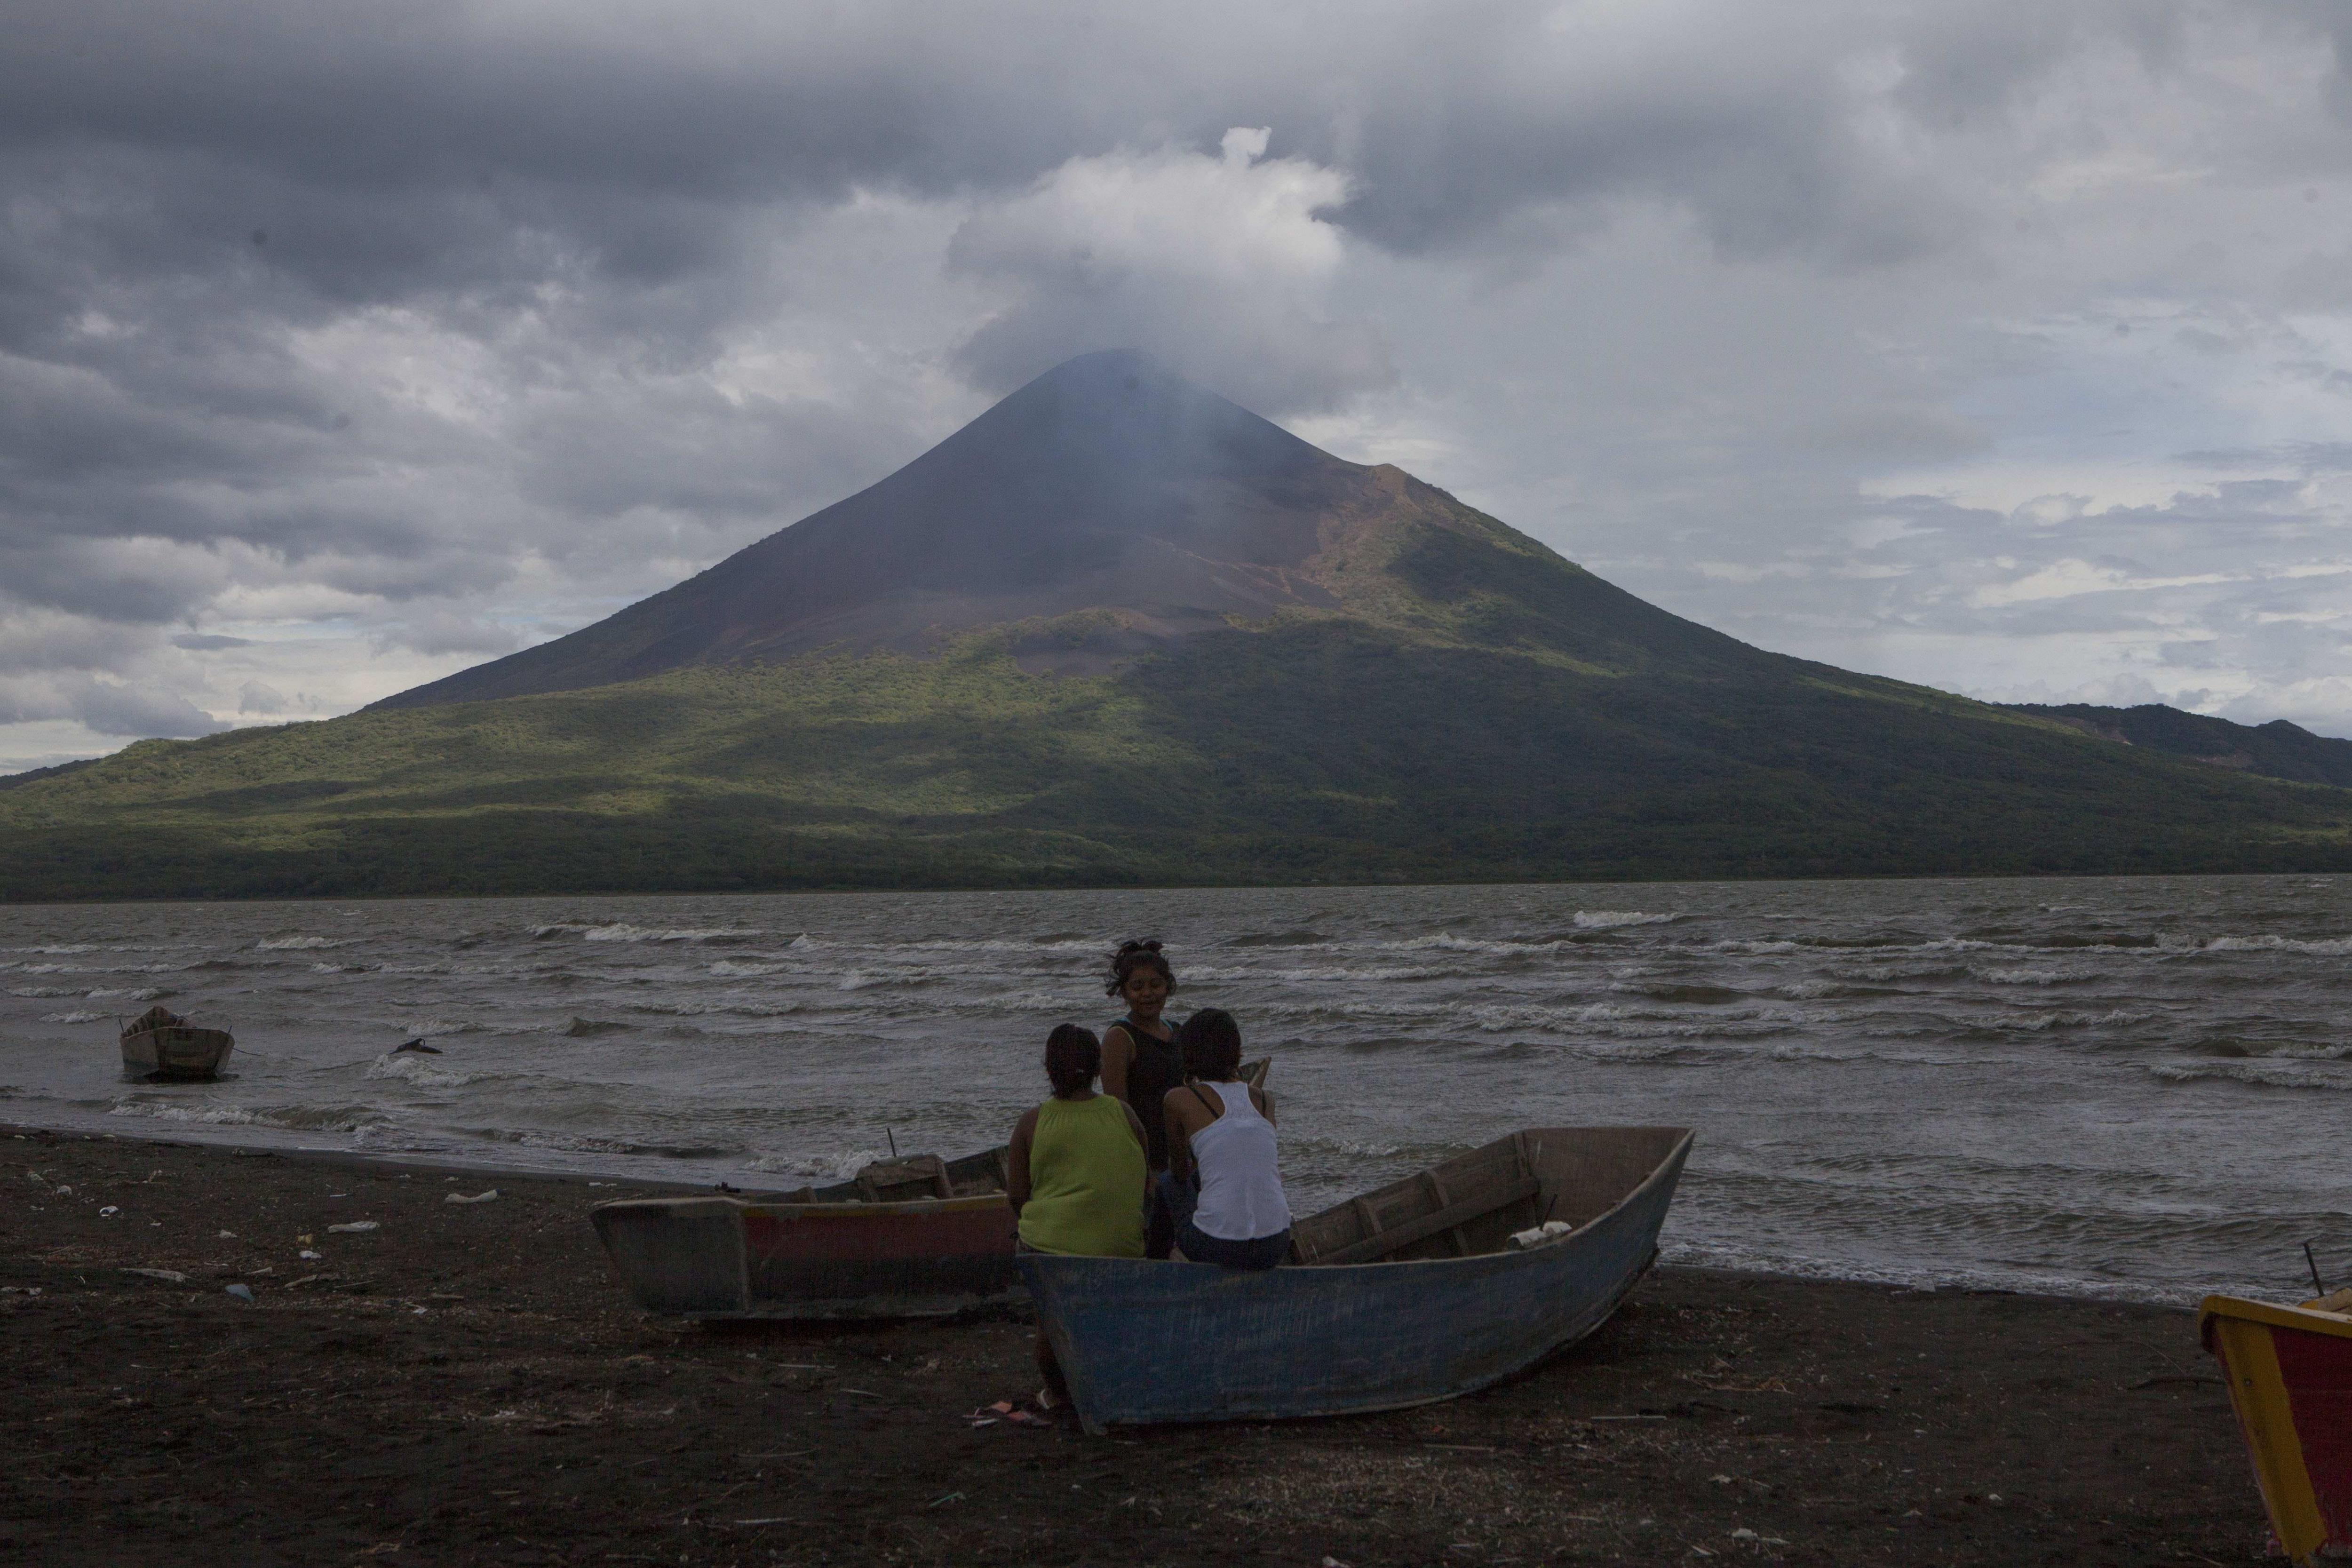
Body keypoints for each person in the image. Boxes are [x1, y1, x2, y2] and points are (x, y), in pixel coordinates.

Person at [1005, 1023, 1147, 1412]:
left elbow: (1017, 1196)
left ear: (1048, 1070)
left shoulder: (1031, 1123)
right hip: (1121, 1244)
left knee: (1048, 1327)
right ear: (1099, 1069)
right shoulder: (1125, 1113)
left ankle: (1057, 1393)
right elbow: (1142, 1178)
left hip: (1052, 1249)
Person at [1163, 1007, 1291, 1269]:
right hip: (1276, 1243)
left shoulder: (1178, 1099)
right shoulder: (1265, 1100)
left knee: (1168, 1181)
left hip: (1217, 1246)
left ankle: (1159, 1258)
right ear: (1238, 1052)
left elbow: (1179, 1170)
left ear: (1188, 1056)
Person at [1099, 939, 1186, 1259]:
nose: (1148, 993)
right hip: (1143, 1160)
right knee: (1150, 1241)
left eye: (1156, 984)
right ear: (1123, 992)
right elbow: (1118, 1110)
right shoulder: (1119, 1038)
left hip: (1179, 1156)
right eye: (1137, 987)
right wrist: (1143, 1168)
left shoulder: (1177, 1031)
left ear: (1168, 986)